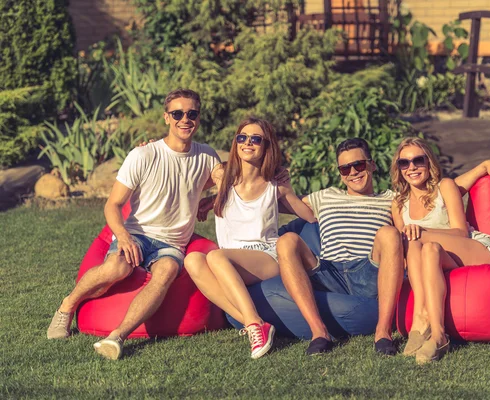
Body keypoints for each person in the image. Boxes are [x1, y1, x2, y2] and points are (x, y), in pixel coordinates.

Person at [275, 137, 490, 356]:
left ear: (372, 165)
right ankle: (319, 333)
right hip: (328, 271)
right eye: (345, 168)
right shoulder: (328, 197)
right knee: (286, 241)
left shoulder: (392, 198)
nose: (353, 172)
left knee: (392, 234)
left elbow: (444, 189)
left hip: (368, 271)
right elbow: (286, 206)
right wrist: (275, 186)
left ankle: (384, 333)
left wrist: (482, 167)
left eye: (358, 165)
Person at [46, 89, 221, 361]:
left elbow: (232, 182)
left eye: (191, 113)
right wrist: (123, 237)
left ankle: (117, 337)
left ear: (198, 117)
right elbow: (112, 205)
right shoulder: (144, 155)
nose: (184, 119)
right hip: (138, 234)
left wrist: (207, 202)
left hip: (173, 244)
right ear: (166, 118)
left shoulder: (207, 157)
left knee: (165, 272)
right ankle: (67, 306)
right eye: (177, 114)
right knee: (118, 266)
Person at [184, 117, 316, 359]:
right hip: (228, 258)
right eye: (242, 138)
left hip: (266, 255)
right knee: (192, 260)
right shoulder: (222, 177)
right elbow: (181, 166)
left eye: (256, 139)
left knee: (215, 257)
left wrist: (290, 191)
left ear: (267, 146)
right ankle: (251, 322)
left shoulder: (275, 185)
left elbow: (309, 216)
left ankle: (255, 325)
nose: (248, 143)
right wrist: (150, 147)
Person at [390, 137, 490, 364]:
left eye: (417, 160)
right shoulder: (398, 203)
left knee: (417, 238)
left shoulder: (445, 186)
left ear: (429, 161)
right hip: (435, 255)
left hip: (471, 249)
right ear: (399, 168)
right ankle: (438, 334)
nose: (411, 168)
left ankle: (419, 320)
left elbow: (461, 232)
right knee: (426, 247)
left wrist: (423, 229)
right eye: (404, 163)